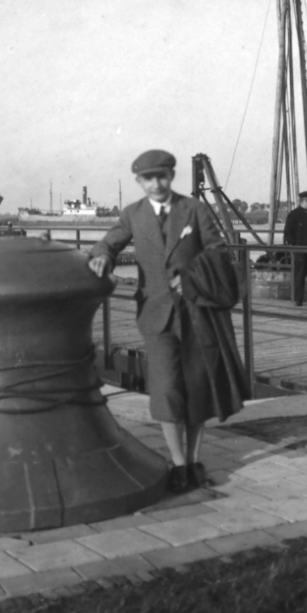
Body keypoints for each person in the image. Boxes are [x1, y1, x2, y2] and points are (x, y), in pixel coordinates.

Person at [88, 149, 246, 494]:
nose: (156, 184)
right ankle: (177, 464)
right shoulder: (133, 214)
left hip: (197, 312)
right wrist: (101, 256)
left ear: (171, 176)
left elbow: (218, 251)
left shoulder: (194, 209)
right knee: (167, 390)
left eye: (161, 176)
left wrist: (191, 278)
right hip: (156, 315)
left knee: (197, 387)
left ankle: (193, 461)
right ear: (138, 181)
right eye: (148, 179)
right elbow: (109, 243)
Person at [283, 190, 307, 306]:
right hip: (300, 250)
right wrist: (295, 245)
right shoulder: (294, 214)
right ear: (306, 200)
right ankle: (298, 299)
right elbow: (288, 233)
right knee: (300, 274)